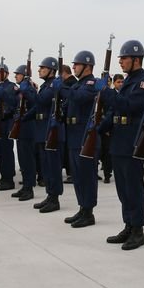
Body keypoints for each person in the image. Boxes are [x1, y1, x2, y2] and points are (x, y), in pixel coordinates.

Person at [101, 40, 144, 250]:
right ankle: (129, 225)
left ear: (136, 60)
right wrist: (103, 126)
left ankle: (138, 230)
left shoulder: (143, 82)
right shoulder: (130, 80)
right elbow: (116, 110)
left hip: (132, 140)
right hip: (119, 139)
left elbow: (131, 106)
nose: (120, 62)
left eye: (124, 58)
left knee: (133, 187)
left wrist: (108, 92)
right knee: (122, 187)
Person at [58, 50, 102, 228]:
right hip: (74, 134)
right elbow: (69, 103)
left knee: (87, 175)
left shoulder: (92, 83)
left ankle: (89, 212)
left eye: (76, 64)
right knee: (77, 175)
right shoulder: (78, 84)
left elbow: (79, 98)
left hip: (85, 135)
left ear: (87, 66)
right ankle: (82, 208)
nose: (74, 67)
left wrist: (60, 87)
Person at [32, 56, 64, 213]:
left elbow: (40, 101)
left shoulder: (52, 86)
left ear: (51, 70)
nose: (39, 70)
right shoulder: (46, 85)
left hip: (50, 131)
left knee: (53, 167)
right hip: (42, 130)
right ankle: (50, 196)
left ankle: (55, 198)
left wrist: (28, 89)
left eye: (42, 68)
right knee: (46, 166)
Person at [11, 64, 37, 201]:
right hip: (21, 127)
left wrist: (27, 90)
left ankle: (29, 188)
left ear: (25, 75)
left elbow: (34, 102)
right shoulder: (21, 89)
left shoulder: (29, 88)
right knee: (22, 159)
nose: (15, 76)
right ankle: (25, 186)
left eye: (18, 74)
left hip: (28, 128)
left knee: (28, 160)